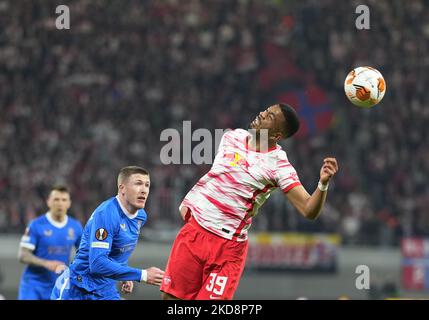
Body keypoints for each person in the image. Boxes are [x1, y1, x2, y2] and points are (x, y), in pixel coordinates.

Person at [161, 103, 339, 300]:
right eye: (267, 110)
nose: (263, 113)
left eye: (270, 116)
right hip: (195, 232)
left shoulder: (279, 165)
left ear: (277, 136)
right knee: (171, 299)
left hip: (227, 247)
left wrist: (322, 184)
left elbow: (308, 210)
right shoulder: (232, 137)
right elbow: (218, 177)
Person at [51, 166, 164, 300]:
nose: (144, 190)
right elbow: (97, 264)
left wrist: (124, 274)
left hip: (106, 290)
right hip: (79, 289)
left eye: (147, 185)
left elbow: (119, 249)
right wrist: (142, 275)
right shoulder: (106, 214)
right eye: (138, 183)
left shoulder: (140, 216)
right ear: (122, 188)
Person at [18, 185, 83, 300]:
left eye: (64, 200)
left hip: (58, 286)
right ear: (48, 202)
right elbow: (23, 255)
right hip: (33, 285)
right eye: (56, 199)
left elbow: (84, 252)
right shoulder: (36, 225)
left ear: (69, 203)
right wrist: (46, 263)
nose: (60, 203)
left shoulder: (75, 227)